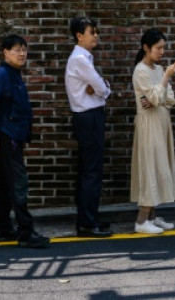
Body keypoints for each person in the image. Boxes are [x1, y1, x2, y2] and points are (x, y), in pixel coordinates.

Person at [0, 34, 50, 249]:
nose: (22, 54)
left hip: (13, 136)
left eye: (24, 50)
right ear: (5, 52)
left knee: (6, 183)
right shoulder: (2, 74)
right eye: (17, 50)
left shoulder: (13, 74)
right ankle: (25, 232)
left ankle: (3, 229)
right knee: (18, 183)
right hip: (6, 137)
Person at [130, 28, 175, 234]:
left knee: (160, 167)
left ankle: (151, 217)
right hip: (149, 126)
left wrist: (157, 94)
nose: (162, 52)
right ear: (146, 48)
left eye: (163, 48)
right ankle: (142, 221)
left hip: (161, 123)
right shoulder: (141, 71)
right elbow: (152, 100)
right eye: (158, 48)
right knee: (150, 169)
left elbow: (169, 99)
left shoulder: (159, 69)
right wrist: (164, 81)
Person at [64, 17, 113, 238]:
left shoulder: (83, 58)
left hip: (88, 117)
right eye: (91, 31)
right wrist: (102, 87)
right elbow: (102, 88)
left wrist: (101, 87)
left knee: (89, 171)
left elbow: (100, 86)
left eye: (96, 31)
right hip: (89, 117)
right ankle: (86, 222)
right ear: (79, 35)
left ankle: (89, 218)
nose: (96, 35)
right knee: (91, 172)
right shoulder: (80, 59)